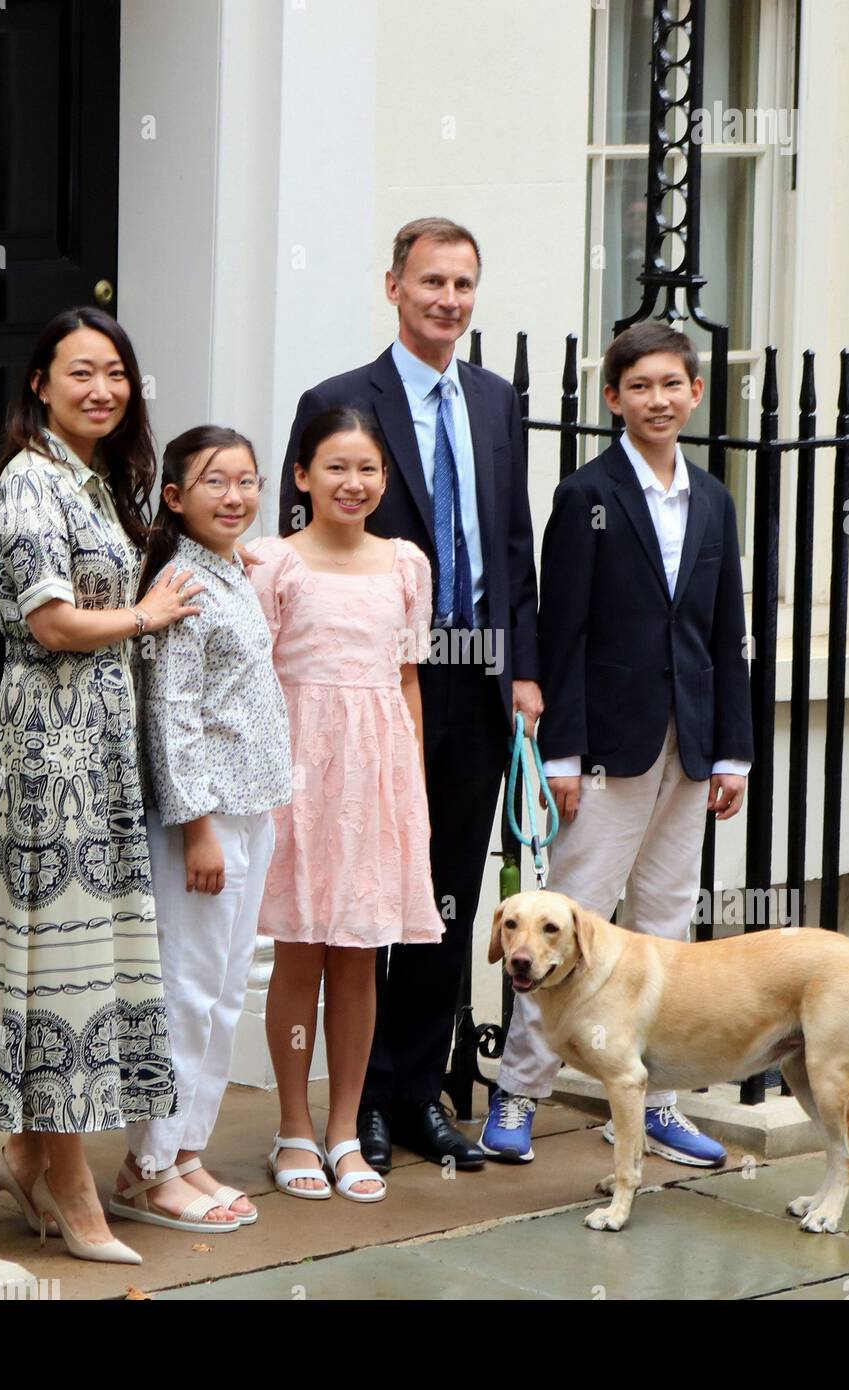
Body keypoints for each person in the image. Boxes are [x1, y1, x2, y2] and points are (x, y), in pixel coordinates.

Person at [279, 217, 541, 1173]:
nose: (449, 301)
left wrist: (524, 670)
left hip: (474, 681)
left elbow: (513, 545)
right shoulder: (340, 400)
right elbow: (297, 549)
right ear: (393, 285)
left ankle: (420, 1091)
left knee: (445, 899)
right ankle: (361, 1108)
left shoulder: (498, 400)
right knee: (361, 896)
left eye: (464, 285)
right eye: (431, 282)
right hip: (369, 687)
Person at [480, 321, 753, 1167]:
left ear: (697, 393)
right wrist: (561, 753)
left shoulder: (712, 498)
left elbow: (727, 630)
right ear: (613, 398)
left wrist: (733, 750)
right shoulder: (584, 495)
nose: (658, 400)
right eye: (640, 387)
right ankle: (518, 1092)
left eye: (673, 385)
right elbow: (560, 632)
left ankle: (655, 1101)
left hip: (693, 743)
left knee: (667, 925)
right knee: (563, 921)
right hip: (604, 749)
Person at [0, 307, 205, 1264]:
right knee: (62, 969)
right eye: (81, 372)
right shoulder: (30, 483)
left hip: (100, 746)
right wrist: (149, 614)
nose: (102, 389)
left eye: (115, 372)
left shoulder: (96, 478)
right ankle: (71, 1190)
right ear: (40, 383)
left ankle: (30, 1156)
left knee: (93, 961)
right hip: (49, 749)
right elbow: (54, 625)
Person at [251, 408, 443, 1202]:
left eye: (367, 469)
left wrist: (414, 783)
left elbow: (407, 679)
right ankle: (293, 1128)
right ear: (302, 476)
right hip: (297, 774)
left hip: (378, 777)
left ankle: (344, 1128)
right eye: (335, 467)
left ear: (386, 480)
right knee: (300, 950)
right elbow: (254, 680)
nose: (352, 483)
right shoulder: (271, 563)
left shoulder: (405, 564)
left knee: (361, 954)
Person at [109, 426, 292, 1233]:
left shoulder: (234, 572)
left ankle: (186, 1152)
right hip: (204, 824)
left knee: (222, 997)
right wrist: (198, 829)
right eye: (216, 482)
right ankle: (147, 1168)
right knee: (185, 994)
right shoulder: (183, 581)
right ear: (177, 499)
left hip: (251, 813)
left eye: (248, 481)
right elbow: (172, 717)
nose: (237, 496)